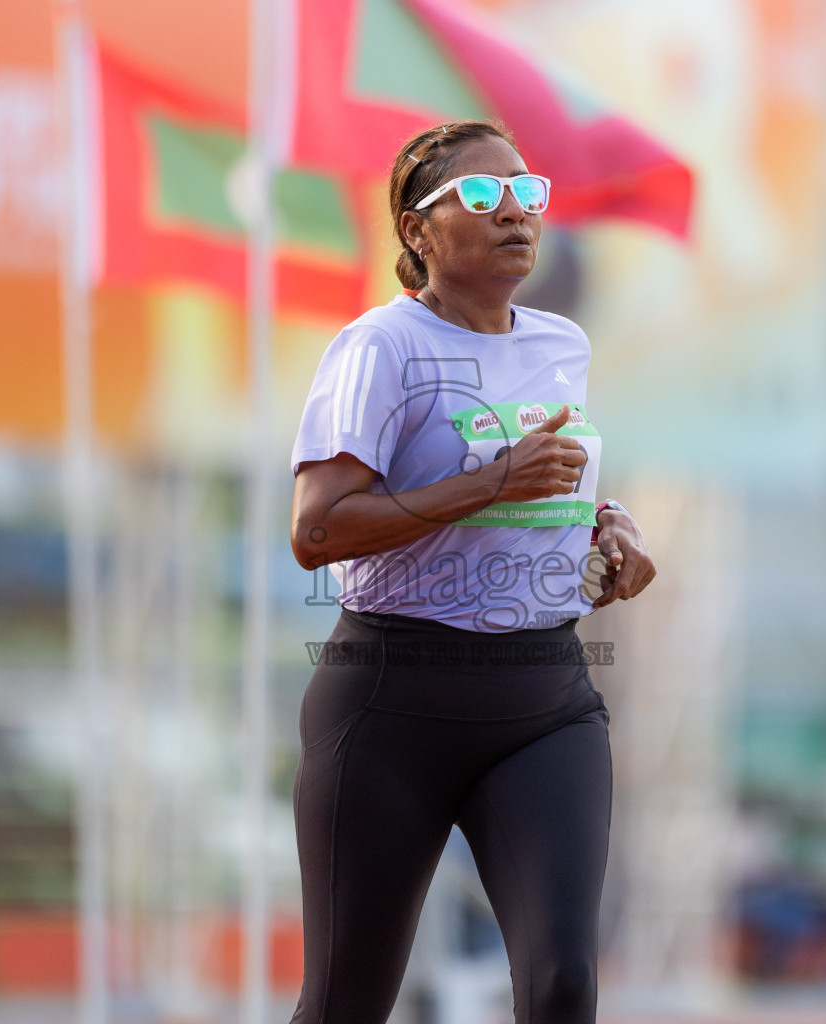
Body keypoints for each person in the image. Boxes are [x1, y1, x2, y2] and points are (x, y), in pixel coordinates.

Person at [287, 119, 656, 1024]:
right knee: (346, 1004)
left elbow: (553, 487)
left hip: (541, 698)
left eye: (528, 195)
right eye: (482, 198)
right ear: (417, 231)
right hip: (390, 700)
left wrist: (610, 531)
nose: (516, 215)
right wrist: (491, 483)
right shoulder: (380, 348)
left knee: (565, 985)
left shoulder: (560, 344)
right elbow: (317, 530)